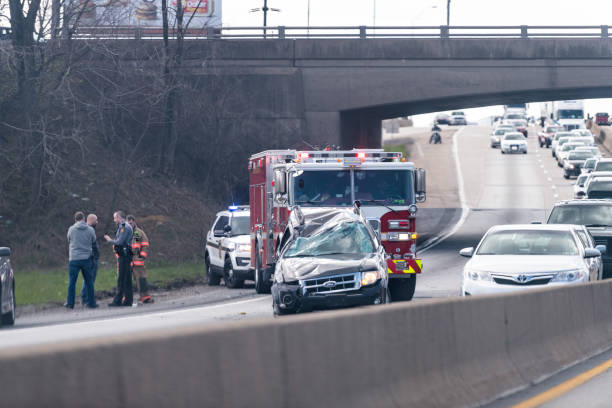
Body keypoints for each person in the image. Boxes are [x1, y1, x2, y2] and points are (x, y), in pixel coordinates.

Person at [66, 211, 98, 309]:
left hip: (74, 259)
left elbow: (69, 240)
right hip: (86, 259)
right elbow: (93, 240)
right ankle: (91, 303)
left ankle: (70, 303)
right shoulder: (90, 230)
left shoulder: (71, 229)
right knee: (89, 282)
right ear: (83, 218)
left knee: (72, 282)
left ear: (75, 219)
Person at [104, 211, 134, 307]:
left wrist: (110, 240)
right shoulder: (125, 226)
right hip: (126, 255)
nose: (114, 220)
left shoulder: (124, 227)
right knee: (127, 278)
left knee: (121, 279)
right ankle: (128, 300)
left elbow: (120, 242)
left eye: (115, 218)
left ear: (119, 217)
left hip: (124, 255)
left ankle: (117, 301)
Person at [127, 215, 154, 303]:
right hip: (128, 261)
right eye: (128, 223)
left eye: (131, 223)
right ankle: (125, 298)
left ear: (134, 222)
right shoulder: (125, 231)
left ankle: (145, 297)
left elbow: (138, 246)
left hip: (137, 261)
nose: (129, 225)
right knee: (125, 280)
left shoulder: (137, 233)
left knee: (141, 279)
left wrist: (141, 257)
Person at [80, 214, 99, 305]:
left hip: (88, 257)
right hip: (90, 258)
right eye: (96, 220)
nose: (97, 222)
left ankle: (86, 298)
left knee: (88, 279)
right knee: (89, 280)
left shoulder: (85, 229)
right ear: (91, 220)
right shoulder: (89, 230)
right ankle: (86, 299)